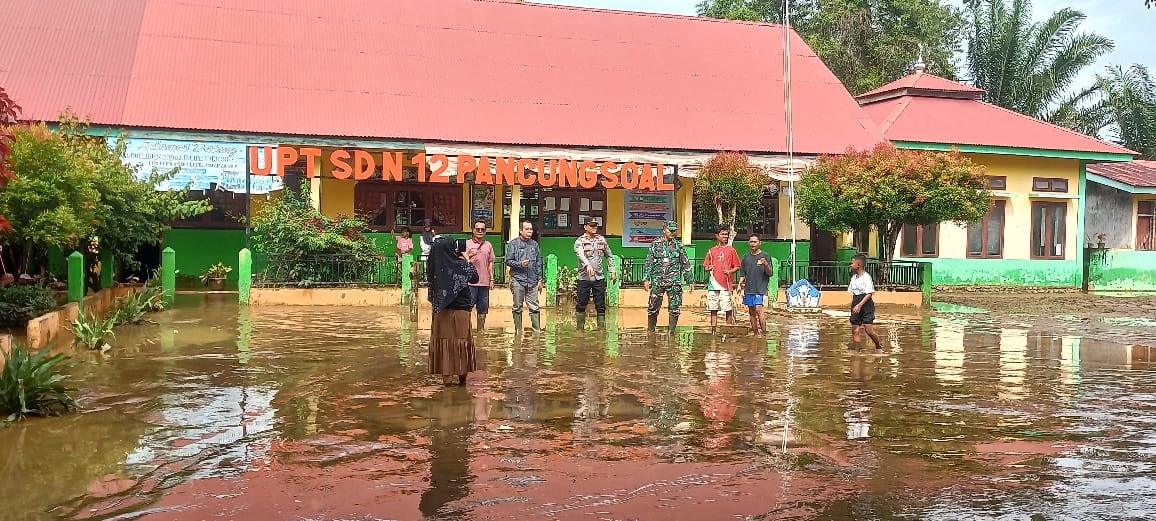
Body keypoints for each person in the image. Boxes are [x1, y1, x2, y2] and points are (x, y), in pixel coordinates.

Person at [426, 236, 479, 386]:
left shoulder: (433, 267)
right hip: (461, 311)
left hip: (441, 312)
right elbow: (474, 278)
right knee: (462, 343)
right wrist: (467, 259)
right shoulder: (461, 265)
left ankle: (447, 383)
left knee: (444, 345)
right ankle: (462, 381)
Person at [643, 220, 692, 333]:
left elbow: (686, 263)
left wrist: (690, 280)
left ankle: (671, 333)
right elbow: (649, 262)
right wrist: (646, 278)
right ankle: (651, 332)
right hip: (658, 281)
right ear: (664, 230)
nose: (673, 232)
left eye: (674, 230)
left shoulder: (679, 246)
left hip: (674, 282)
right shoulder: (655, 244)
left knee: (675, 308)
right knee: (653, 307)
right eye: (670, 230)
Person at [573, 219, 617, 330]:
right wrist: (587, 265)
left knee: (601, 305)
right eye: (591, 225)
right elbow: (580, 255)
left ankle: (601, 330)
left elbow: (609, 256)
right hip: (584, 278)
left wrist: (612, 270)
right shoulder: (580, 241)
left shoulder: (601, 240)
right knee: (581, 303)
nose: (594, 227)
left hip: (599, 277)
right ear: (585, 227)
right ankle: (580, 329)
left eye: (596, 225)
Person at [506, 220, 543, 333]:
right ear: (521, 231)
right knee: (517, 306)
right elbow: (508, 261)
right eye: (527, 229)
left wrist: (540, 279)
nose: (529, 231)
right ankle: (518, 332)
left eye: (531, 229)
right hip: (518, 279)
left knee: (535, 307)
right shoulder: (513, 244)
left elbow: (538, 263)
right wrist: (519, 264)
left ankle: (537, 332)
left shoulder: (534, 244)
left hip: (532, 281)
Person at [703, 226, 741, 328]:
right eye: (723, 234)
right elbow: (706, 267)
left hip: (726, 285)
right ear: (717, 236)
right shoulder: (711, 251)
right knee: (713, 308)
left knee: (727, 308)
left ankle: (728, 329)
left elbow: (737, 266)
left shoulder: (731, 250)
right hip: (713, 285)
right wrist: (709, 268)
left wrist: (730, 271)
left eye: (726, 234)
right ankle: (713, 330)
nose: (725, 236)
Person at [738, 234, 774, 334]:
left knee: (759, 309)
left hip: (760, 288)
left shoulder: (765, 256)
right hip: (749, 288)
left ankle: (764, 333)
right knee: (751, 311)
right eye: (751, 242)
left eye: (755, 242)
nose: (753, 244)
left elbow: (770, 273)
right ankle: (755, 334)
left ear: (759, 243)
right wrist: (739, 284)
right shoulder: (745, 257)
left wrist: (766, 264)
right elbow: (743, 273)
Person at [465, 219, 495, 330]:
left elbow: (490, 263)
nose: (480, 231)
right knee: (468, 306)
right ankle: (466, 330)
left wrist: (491, 279)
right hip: (470, 282)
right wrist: (469, 255)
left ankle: (480, 331)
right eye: (478, 229)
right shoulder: (467, 244)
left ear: (485, 231)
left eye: (482, 229)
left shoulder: (488, 245)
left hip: (484, 282)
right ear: (473, 230)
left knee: (483, 308)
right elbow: (460, 260)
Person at [848, 253, 883, 349]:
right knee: (855, 330)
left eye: (852, 263)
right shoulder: (854, 278)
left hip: (866, 304)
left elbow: (869, 293)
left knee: (868, 330)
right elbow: (853, 293)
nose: (850, 265)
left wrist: (859, 305)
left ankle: (878, 345)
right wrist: (854, 305)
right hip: (856, 302)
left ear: (858, 265)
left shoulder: (866, 277)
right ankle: (856, 352)